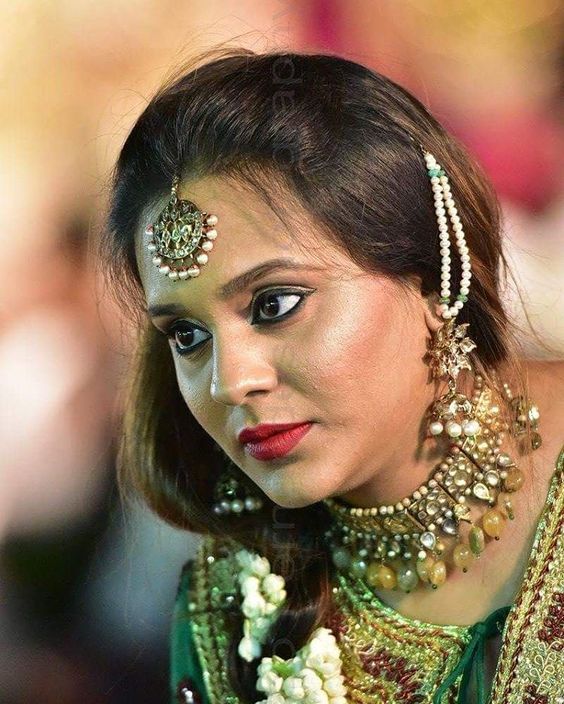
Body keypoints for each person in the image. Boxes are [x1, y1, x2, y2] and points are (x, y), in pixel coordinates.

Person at [100, 47, 564, 704]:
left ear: (431, 276)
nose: (229, 383)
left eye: (275, 304)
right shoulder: (230, 609)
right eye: (188, 336)